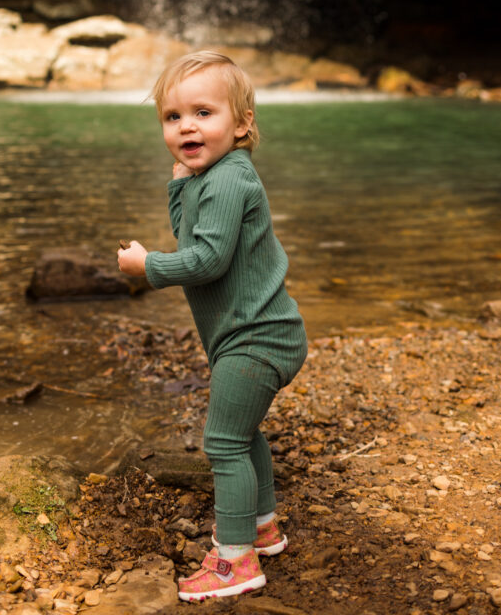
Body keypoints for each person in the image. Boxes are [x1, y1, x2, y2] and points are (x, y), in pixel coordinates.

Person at [117, 50, 308, 602]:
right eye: (173, 117)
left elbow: (203, 260)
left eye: (203, 112)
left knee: (223, 444)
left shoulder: (228, 182)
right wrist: (179, 185)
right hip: (257, 333)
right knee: (244, 433)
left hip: (256, 340)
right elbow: (191, 232)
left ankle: (235, 561)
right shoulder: (210, 176)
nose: (186, 126)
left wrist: (146, 266)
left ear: (242, 123)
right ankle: (263, 529)